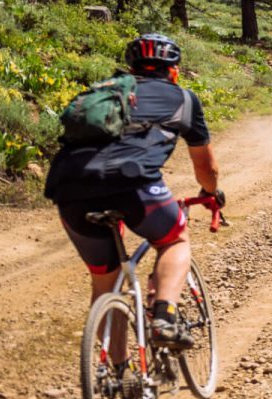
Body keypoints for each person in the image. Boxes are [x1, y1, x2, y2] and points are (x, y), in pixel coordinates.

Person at [45, 33, 223, 350]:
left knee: (106, 282)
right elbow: (206, 168)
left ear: (131, 69)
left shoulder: (107, 92)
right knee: (175, 240)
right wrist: (211, 192)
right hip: (134, 185)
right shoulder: (184, 99)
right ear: (174, 71)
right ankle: (164, 318)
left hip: (68, 187)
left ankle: (115, 371)